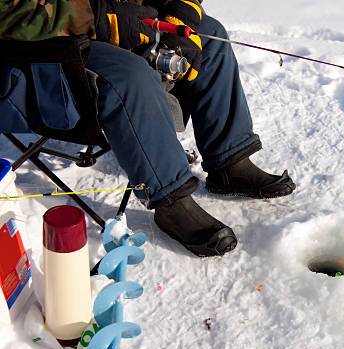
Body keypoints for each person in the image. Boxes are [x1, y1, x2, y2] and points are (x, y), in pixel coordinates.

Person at [0, 0, 296, 257]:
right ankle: (171, 200)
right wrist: (101, 19)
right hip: (36, 49)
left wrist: (182, 13)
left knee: (210, 35)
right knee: (129, 74)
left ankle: (229, 160)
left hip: (107, 25)